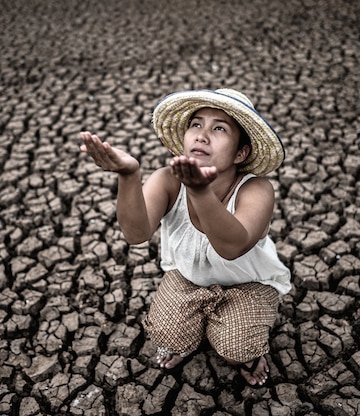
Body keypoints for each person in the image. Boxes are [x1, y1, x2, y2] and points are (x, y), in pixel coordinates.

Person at [80, 88, 292, 386]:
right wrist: (128, 175)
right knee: (168, 334)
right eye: (196, 124)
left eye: (219, 128)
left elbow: (232, 247)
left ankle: (246, 353)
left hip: (248, 284)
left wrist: (199, 191)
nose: (202, 135)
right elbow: (136, 233)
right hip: (189, 277)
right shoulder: (167, 180)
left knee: (236, 347)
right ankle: (195, 334)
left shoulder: (255, 189)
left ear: (240, 153)